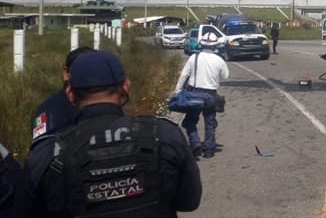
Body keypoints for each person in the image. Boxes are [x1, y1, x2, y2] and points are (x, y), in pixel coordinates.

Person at [25, 50, 202, 217]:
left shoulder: (48, 154)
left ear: (70, 94)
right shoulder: (164, 134)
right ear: (126, 86)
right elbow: (189, 201)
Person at [174, 35, 229, 159]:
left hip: (194, 93)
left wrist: (178, 90)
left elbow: (184, 75)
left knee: (189, 121)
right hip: (211, 94)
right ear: (215, 45)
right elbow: (225, 75)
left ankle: (195, 142)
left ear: (201, 44)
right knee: (210, 122)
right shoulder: (219, 59)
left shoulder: (194, 57)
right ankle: (209, 150)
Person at [30, 47, 94, 146]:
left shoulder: (107, 103)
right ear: (66, 73)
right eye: (81, 71)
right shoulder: (48, 110)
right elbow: (41, 151)